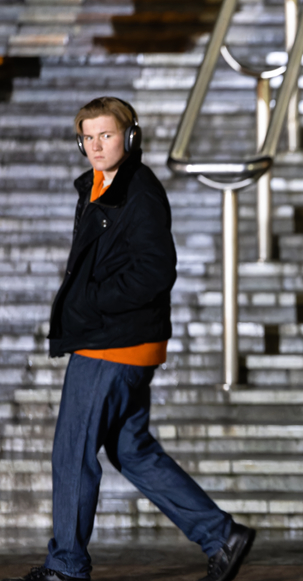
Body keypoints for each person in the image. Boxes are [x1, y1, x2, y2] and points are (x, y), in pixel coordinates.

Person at [4, 97, 254, 581]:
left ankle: (67, 566)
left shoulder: (137, 191)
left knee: (72, 452)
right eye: (88, 137)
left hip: (111, 345)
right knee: (132, 450)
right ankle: (221, 535)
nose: (96, 146)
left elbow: (156, 271)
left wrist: (92, 300)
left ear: (130, 137)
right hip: (119, 342)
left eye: (107, 135)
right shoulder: (100, 185)